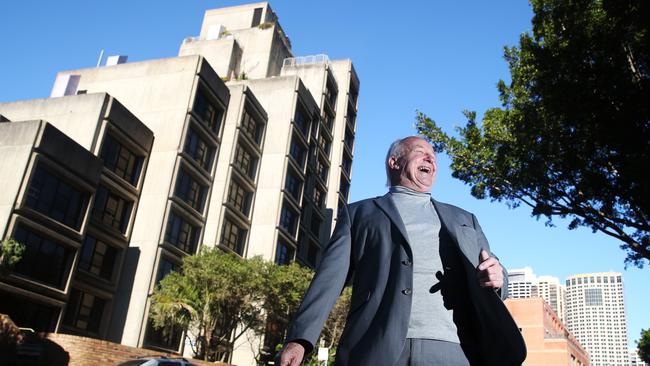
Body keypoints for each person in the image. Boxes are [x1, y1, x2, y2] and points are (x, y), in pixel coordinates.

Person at [277, 136, 526, 366]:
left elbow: (491, 270)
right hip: (376, 347)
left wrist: (497, 277)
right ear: (394, 162)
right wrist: (299, 339)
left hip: (454, 349)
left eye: (434, 157)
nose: (431, 159)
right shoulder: (358, 214)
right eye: (421, 152)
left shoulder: (464, 218)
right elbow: (327, 281)